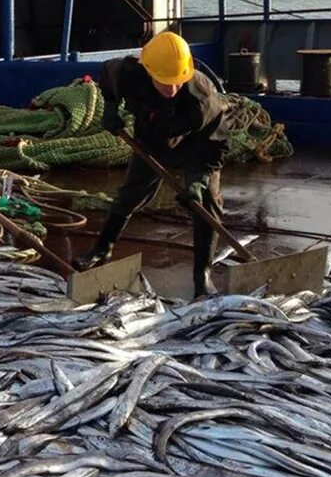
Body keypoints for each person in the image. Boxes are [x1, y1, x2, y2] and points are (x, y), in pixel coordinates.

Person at [72, 31, 231, 296]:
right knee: (130, 195)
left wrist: (200, 179)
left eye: (177, 83)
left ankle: (202, 275)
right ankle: (102, 248)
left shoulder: (202, 97)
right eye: (164, 82)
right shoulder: (127, 72)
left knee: (207, 204)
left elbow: (216, 144)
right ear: (148, 70)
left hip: (194, 147)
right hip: (151, 142)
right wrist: (110, 109)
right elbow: (106, 78)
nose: (171, 89)